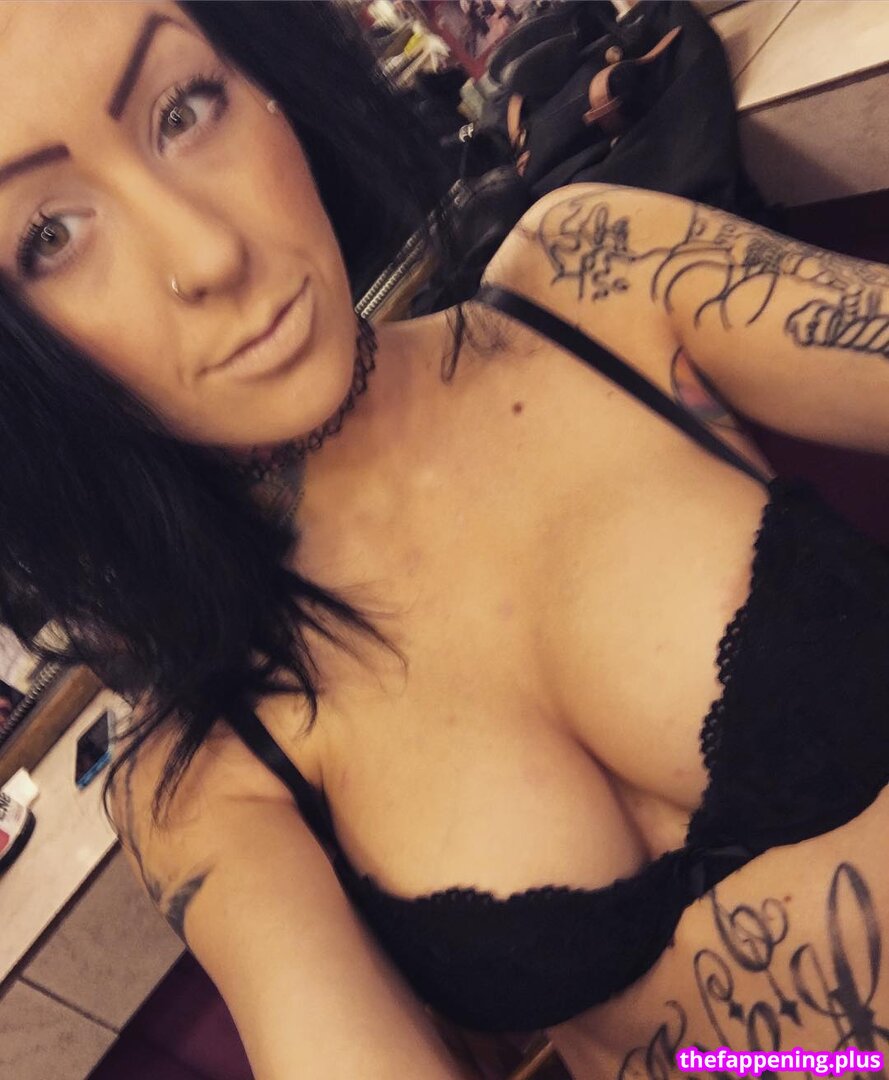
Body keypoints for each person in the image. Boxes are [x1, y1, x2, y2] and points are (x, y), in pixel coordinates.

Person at [1, 2, 888, 1078]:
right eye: (50, 238)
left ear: (270, 79)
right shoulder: (206, 776)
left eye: (183, 109)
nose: (209, 252)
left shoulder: (598, 285)